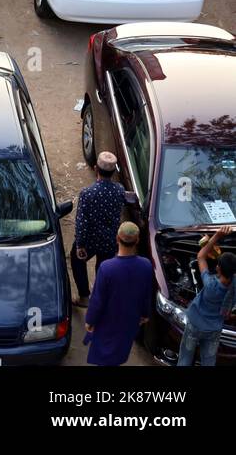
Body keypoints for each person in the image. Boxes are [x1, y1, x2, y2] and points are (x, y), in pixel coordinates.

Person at [84, 222, 155, 366]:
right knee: (120, 352)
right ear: (137, 240)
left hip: (107, 322)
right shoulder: (146, 265)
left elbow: (97, 300)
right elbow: (147, 294)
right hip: (129, 320)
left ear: (117, 239)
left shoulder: (107, 268)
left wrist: (90, 320)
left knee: (104, 354)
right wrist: (145, 314)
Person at [71, 152, 126, 307]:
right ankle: (100, 297)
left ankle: (84, 297)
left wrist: (80, 244)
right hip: (109, 241)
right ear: (113, 172)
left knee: (76, 260)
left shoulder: (87, 194)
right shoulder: (119, 190)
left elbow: (81, 222)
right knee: (102, 268)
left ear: (96, 169)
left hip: (90, 240)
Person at [177, 226, 236, 366]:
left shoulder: (211, 285)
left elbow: (201, 256)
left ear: (218, 268)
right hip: (214, 329)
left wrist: (216, 236)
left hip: (195, 325)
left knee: (185, 357)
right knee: (209, 361)